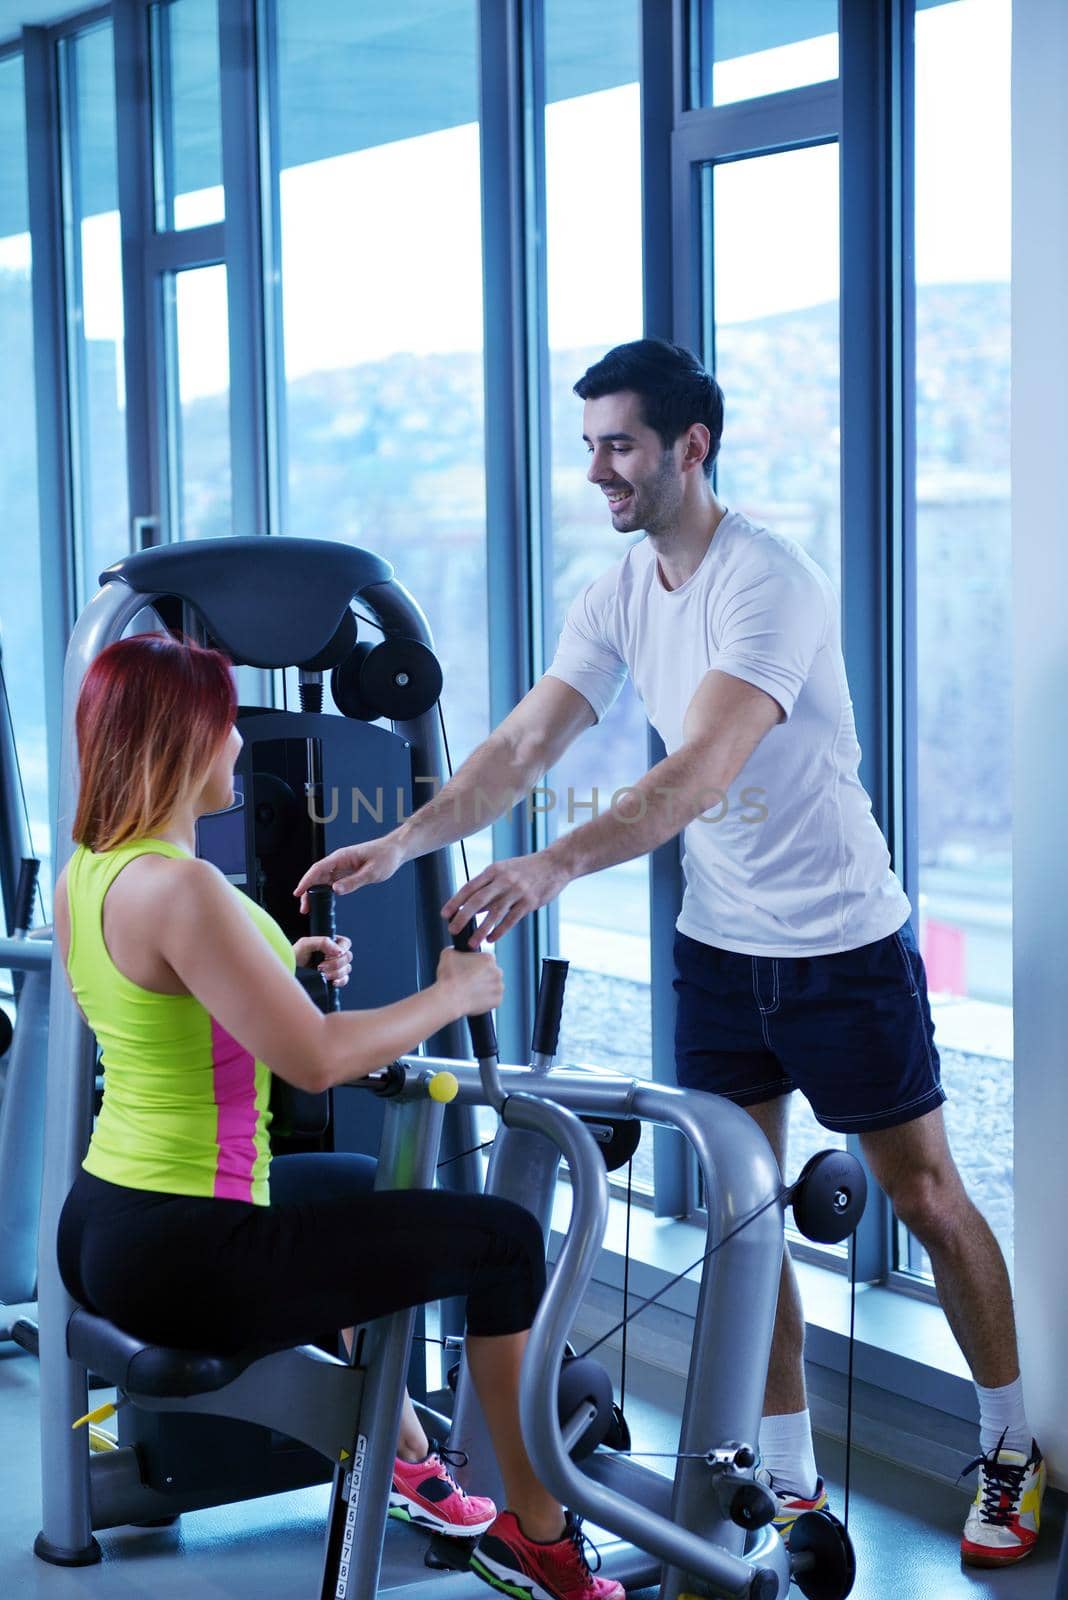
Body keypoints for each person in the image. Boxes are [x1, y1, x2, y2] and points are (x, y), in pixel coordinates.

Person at [296, 338, 1044, 1570]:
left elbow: (697, 772)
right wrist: (406, 843)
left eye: (619, 444)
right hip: (718, 952)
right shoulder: (621, 589)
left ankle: (1012, 1449)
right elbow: (525, 743)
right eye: (589, 445)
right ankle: (792, 1485)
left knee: (924, 1194)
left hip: (840, 939)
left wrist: (550, 868)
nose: (597, 470)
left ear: (691, 446)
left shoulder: (768, 582)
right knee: (754, 1219)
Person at [54, 632, 623, 1600]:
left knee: (372, 1189)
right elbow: (313, 1060)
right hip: (191, 1246)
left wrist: (285, 964)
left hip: (110, 1217)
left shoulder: (93, 873)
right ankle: (537, 1538)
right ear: (184, 739)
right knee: (502, 1241)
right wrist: (454, 992)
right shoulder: (185, 886)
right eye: (226, 726)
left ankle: (407, 1463)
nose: (237, 746)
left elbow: (173, 1005)